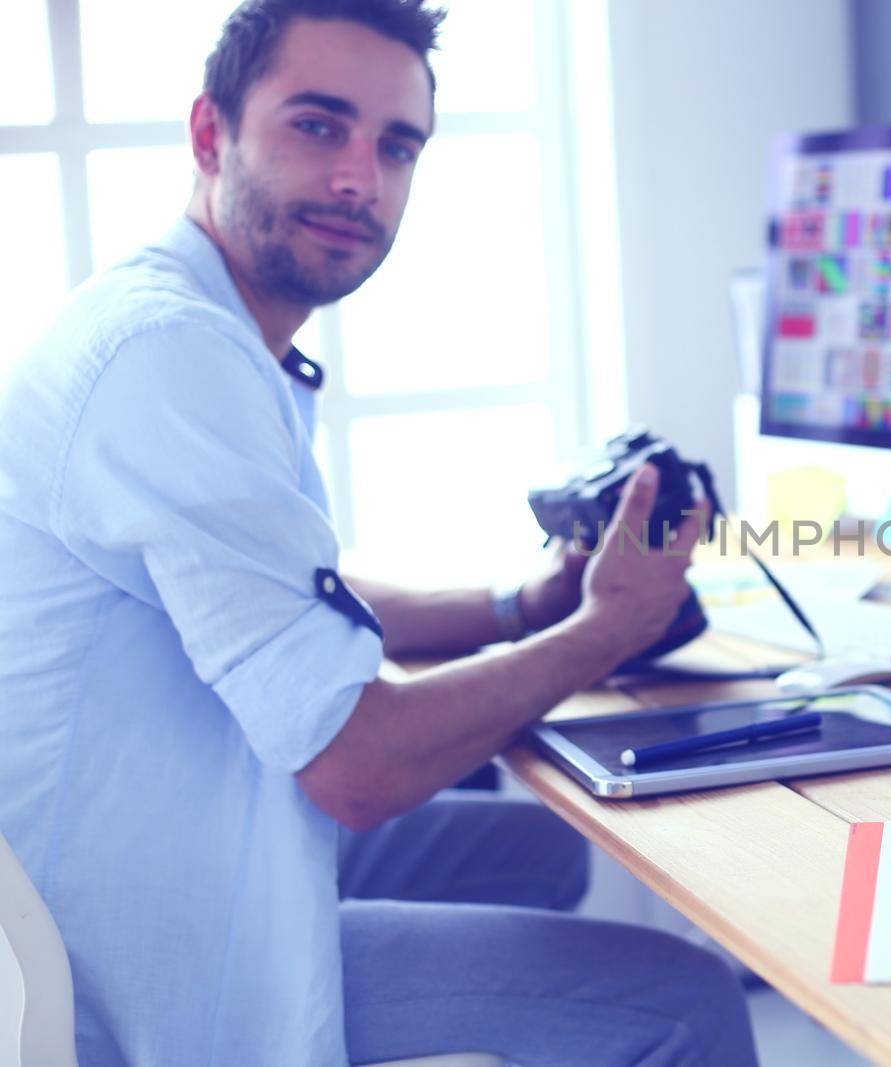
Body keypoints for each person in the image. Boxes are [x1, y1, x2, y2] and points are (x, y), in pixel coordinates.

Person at [0, 2, 757, 1064]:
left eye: (396, 144)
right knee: (679, 998)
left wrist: (528, 607)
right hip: (145, 959)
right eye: (319, 126)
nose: (362, 178)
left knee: (532, 850)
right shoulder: (167, 355)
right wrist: (602, 631)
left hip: (199, 836)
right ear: (210, 134)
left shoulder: (190, 320)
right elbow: (356, 766)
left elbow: (289, 600)